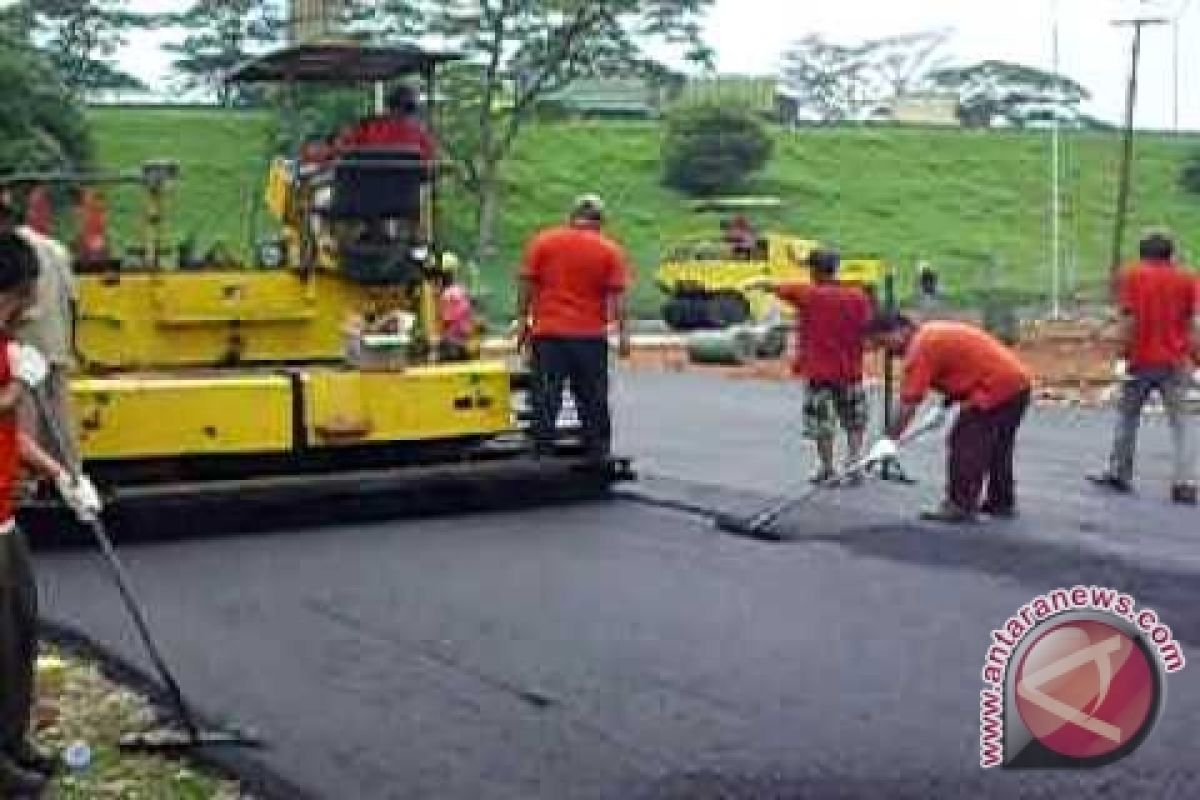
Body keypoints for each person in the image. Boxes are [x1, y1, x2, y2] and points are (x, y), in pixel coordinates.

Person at [0, 232, 101, 796]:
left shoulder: (5, 344)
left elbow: (8, 432)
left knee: (19, 634)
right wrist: (19, 382)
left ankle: (13, 742)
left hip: (5, 516)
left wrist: (60, 475)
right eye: (17, 300)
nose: (23, 313)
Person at [865, 314, 1033, 523]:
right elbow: (963, 368)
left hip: (994, 388)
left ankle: (960, 505)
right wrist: (944, 406)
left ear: (901, 330)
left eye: (884, 342)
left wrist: (888, 440)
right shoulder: (932, 334)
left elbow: (909, 401)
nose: (888, 351)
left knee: (965, 443)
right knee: (998, 447)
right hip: (1017, 385)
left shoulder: (920, 347)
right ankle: (1001, 501)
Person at [743, 248, 873, 485]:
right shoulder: (857, 296)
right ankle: (854, 462)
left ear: (813, 271)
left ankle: (827, 468)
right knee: (855, 418)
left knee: (821, 420)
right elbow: (868, 326)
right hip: (850, 368)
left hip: (818, 370)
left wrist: (757, 283)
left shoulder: (807, 294)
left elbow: (775, 287)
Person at [517, 194, 631, 463]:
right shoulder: (609, 250)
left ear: (572, 216)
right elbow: (618, 298)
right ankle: (597, 451)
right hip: (589, 337)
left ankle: (542, 451)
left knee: (546, 396)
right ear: (600, 221)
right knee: (593, 398)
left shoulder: (543, 242)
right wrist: (624, 335)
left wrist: (523, 321)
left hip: (549, 335)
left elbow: (526, 284)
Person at [1087, 232, 1198, 505]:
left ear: (1142, 253)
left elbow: (1130, 320)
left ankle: (1120, 473)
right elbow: (1193, 323)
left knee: (1128, 417)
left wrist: (1122, 355)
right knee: (1181, 424)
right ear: (1170, 253)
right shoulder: (1187, 279)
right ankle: (1184, 482)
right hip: (1176, 360)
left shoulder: (1132, 276)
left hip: (1141, 360)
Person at [0, 200, 82, 473]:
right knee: (60, 418)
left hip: (25, 343)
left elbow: (22, 309)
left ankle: (26, 482)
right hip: (56, 344)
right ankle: (72, 477)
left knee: (25, 421)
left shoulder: (12, 255)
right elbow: (73, 300)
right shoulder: (56, 249)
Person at [335, 85, 437, 162]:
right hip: (407, 188)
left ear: (389, 106)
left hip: (367, 185)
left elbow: (341, 146)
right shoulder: (420, 131)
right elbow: (433, 160)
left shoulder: (369, 126)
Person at [436, 255, 474, 362]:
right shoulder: (458, 292)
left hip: (454, 341)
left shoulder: (449, 294)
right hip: (457, 340)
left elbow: (447, 318)